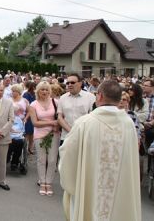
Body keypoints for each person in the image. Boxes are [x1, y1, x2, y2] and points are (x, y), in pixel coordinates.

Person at [59, 80, 141, 221]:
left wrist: (72, 183)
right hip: (119, 192)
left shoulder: (85, 123)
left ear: (100, 96)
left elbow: (67, 155)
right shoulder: (128, 124)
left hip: (90, 190)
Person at [29, 81, 59, 196]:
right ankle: (42, 182)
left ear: (50, 91)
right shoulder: (33, 104)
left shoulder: (55, 102)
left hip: (54, 134)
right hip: (39, 134)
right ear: (38, 91)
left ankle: (49, 182)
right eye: (42, 89)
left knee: (52, 160)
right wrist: (52, 122)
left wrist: (56, 125)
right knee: (41, 160)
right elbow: (35, 123)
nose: (45, 92)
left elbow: (61, 117)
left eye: (47, 89)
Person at [57, 73, 96, 143]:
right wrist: (72, 131)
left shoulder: (90, 97)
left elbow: (94, 117)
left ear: (80, 83)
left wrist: (79, 133)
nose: (69, 85)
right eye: (68, 83)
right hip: (66, 136)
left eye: (72, 82)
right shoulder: (62, 98)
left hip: (84, 137)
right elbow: (60, 117)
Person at [8, 84, 29, 172]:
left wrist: (26, 118)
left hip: (20, 123)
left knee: (19, 142)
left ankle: (15, 161)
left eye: (14, 91)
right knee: (9, 141)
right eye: (12, 91)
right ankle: (7, 157)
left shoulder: (24, 101)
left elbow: (29, 111)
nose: (13, 93)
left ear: (19, 92)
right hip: (9, 122)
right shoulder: (8, 100)